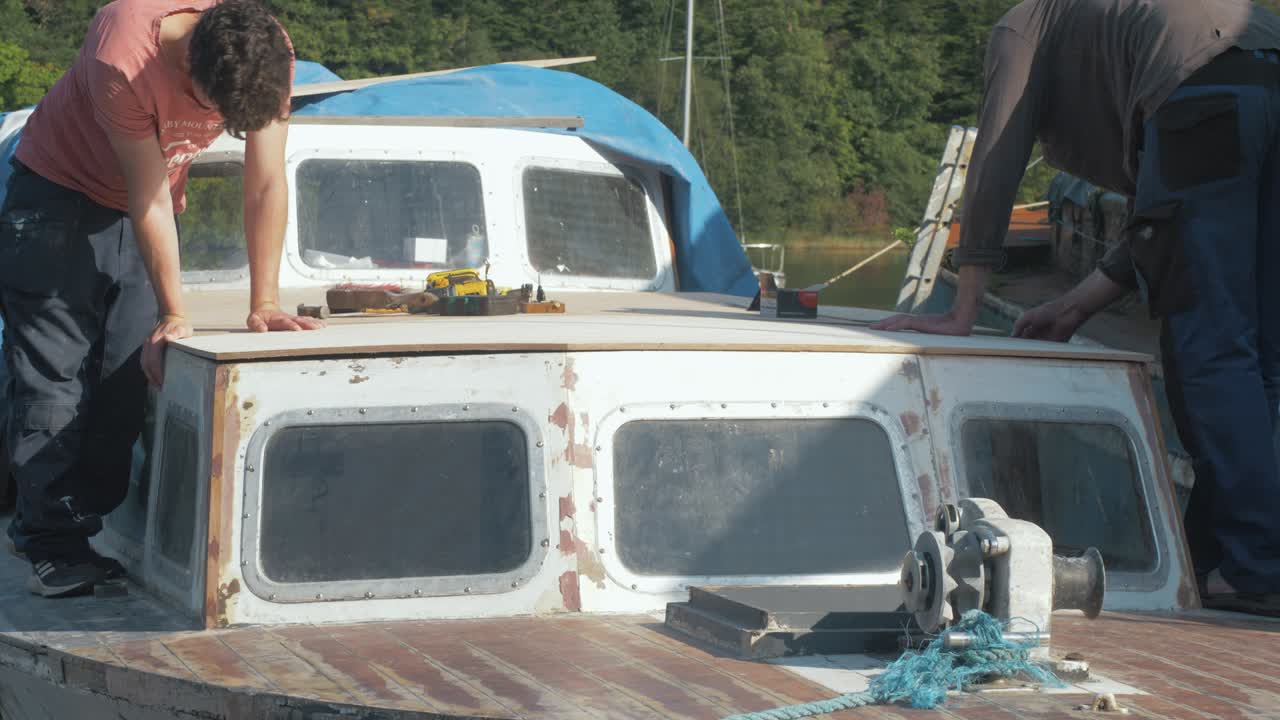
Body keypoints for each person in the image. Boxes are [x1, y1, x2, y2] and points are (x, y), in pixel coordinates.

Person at [872, 0, 1280, 613]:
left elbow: (997, 158)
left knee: (1212, 351)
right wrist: (1076, 305)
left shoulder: (1026, 23)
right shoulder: (1118, 24)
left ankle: (1256, 567)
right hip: (1265, 70)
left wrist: (965, 307)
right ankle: (1225, 557)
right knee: (1265, 360)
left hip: (1206, 96)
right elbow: (1166, 219)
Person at [1, 0, 324, 598]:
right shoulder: (122, 52)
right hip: (55, 198)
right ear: (188, 70)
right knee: (56, 380)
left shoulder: (265, 52)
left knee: (130, 375)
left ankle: (70, 527)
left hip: (137, 209)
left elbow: (268, 180)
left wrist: (266, 301)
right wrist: (176, 311)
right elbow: (146, 195)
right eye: (212, 110)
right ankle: (49, 543)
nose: (213, 123)